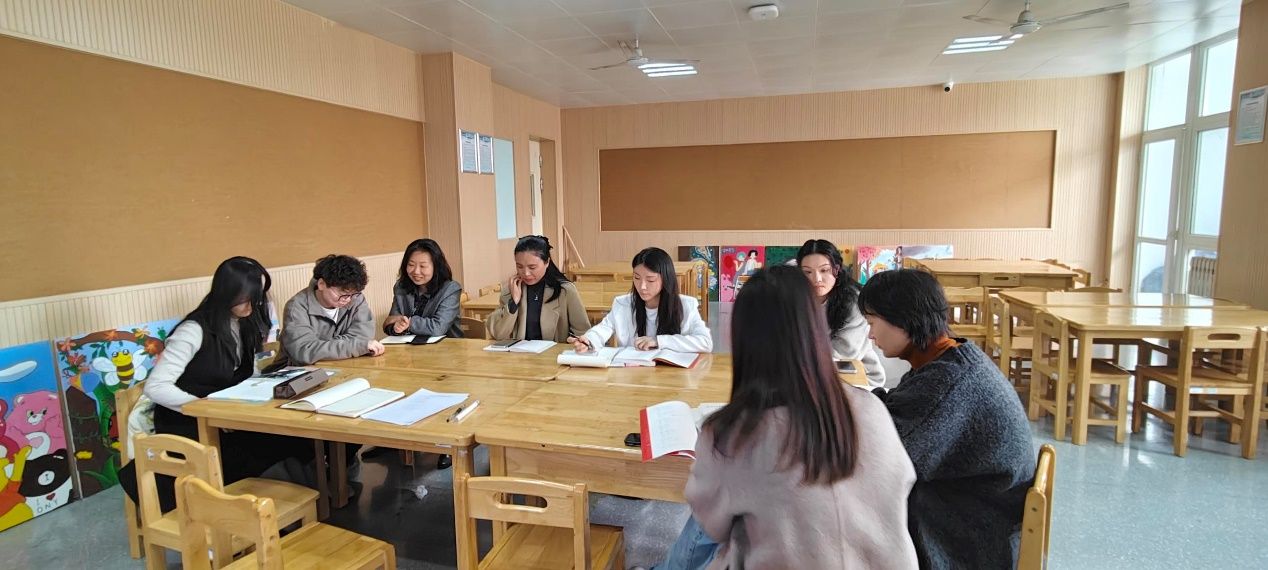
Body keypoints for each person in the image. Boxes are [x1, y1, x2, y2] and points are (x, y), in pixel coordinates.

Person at [654, 266, 918, 569]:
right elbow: (902, 481)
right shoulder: (871, 408)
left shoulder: (733, 434)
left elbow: (709, 524)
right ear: (816, 327)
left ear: (740, 336)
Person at [858, 269, 1035, 569]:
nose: (870, 334)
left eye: (872, 322)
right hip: (978, 508)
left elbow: (888, 461)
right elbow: (899, 407)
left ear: (904, 319)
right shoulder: (948, 358)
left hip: (972, 533)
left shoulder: (948, 382)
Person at [119, 257, 314, 510]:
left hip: (226, 415)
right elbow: (156, 387)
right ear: (227, 293)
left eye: (256, 299)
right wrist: (204, 409)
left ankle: (295, 505)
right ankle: (254, 512)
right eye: (247, 299)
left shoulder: (243, 324)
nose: (252, 307)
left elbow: (245, 372)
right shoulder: (194, 330)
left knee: (292, 437)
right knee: (261, 446)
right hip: (188, 419)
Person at [572, 247, 712, 353]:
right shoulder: (623, 304)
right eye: (637, 278)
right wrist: (588, 341)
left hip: (672, 375)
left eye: (650, 280)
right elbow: (603, 329)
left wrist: (659, 341)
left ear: (666, 279)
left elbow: (705, 342)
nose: (642, 286)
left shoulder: (686, 305)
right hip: (634, 374)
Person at [797, 239, 887, 388]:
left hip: (856, 377)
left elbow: (845, 351)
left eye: (824, 270)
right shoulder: (796, 297)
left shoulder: (855, 300)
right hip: (810, 374)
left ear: (836, 269)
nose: (816, 279)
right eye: (807, 272)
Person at [278, 254, 383, 366]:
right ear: (321, 284)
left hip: (342, 365)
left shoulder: (356, 298)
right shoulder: (296, 307)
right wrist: (353, 346)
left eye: (352, 294)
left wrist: (323, 348)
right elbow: (305, 351)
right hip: (296, 370)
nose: (348, 300)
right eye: (343, 294)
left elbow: (364, 336)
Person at [486, 235, 590, 342]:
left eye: (532, 267)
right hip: (519, 352)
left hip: (554, 352)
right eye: (519, 266)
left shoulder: (565, 291)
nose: (526, 273)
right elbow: (498, 334)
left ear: (547, 262)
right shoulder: (512, 289)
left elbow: (582, 332)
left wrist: (575, 342)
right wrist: (514, 302)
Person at [382, 239, 462, 339]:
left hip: (446, 346)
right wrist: (396, 328)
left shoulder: (450, 289)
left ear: (436, 267)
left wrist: (409, 322)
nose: (416, 271)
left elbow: (438, 328)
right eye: (411, 265)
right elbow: (391, 322)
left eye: (423, 266)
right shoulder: (401, 287)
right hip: (409, 346)